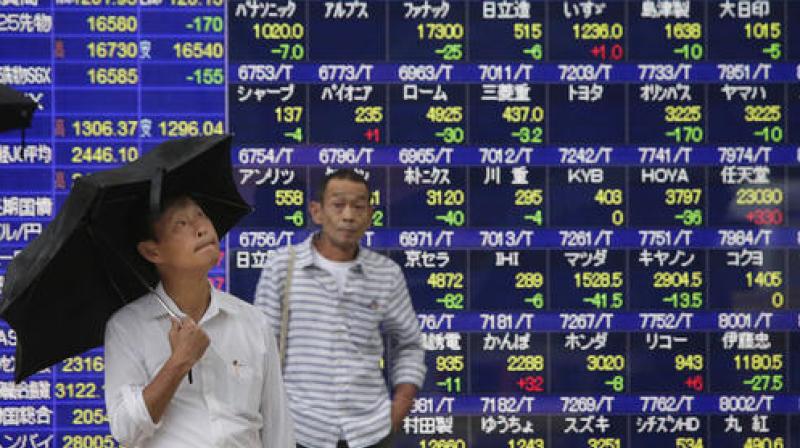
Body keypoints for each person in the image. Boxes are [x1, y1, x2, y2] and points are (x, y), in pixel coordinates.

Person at [104, 195, 295, 447]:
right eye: (180, 224)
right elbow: (125, 429)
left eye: (201, 216)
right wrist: (178, 362)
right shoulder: (127, 326)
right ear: (153, 251)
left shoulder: (251, 321)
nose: (202, 229)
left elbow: (277, 426)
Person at [254, 169, 426, 448]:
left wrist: (400, 406)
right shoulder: (282, 267)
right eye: (338, 205)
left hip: (370, 431)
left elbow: (409, 344)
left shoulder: (386, 274)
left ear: (370, 214)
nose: (348, 216)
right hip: (300, 429)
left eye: (358, 207)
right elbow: (260, 350)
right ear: (316, 211)